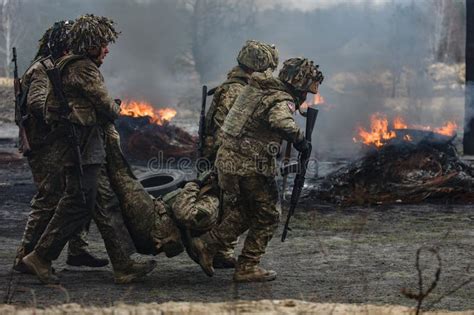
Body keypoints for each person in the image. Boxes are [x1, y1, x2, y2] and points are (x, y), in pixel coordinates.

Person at [22, 14, 156, 284]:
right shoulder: (83, 68)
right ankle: (40, 257)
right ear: (90, 43)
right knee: (77, 204)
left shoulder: (70, 65)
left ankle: (123, 265)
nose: (106, 49)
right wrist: (115, 108)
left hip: (86, 145)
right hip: (82, 145)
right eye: (102, 43)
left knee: (105, 203)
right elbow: (107, 107)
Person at [189, 57, 324, 282]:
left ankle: (207, 245)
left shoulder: (263, 89)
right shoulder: (282, 99)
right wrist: (301, 140)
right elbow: (281, 122)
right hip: (249, 165)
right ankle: (248, 266)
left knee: (247, 210)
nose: (306, 97)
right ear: (300, 84)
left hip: (230, 162)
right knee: (269, 214)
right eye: (307, 91)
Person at [14, 21, 108, 274]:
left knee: (77, 193)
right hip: (45, 145)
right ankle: (25, 256)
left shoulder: (55, 67)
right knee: (49, 198)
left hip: (57, 142)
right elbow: (36, 103)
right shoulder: (42, 69)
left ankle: (77, 249)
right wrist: (60, 115)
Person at [201, 40, 279, 269]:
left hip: (225, 154)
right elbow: (226, 128)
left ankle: (221, 250)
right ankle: (218, 250)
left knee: (233, 203)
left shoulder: (234, 86)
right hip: (227, 156)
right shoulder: (237, 90)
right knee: (234, 203)